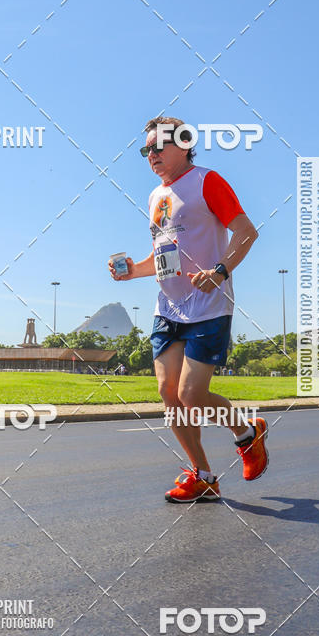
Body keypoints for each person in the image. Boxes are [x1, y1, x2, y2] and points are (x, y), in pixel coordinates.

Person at [109, 116, 268, 503]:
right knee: (169, 394)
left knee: (192, 395)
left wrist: (221, 270)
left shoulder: (206, 182)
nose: (152, 155)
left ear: (183, 144)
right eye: (146, 149)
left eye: (158, 146)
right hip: (168, 309)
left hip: (209, 306)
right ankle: (204, 475)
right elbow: (162, 257)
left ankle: (247, 434)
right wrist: (133, 271)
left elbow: (246, 232)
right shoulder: (154, 196)